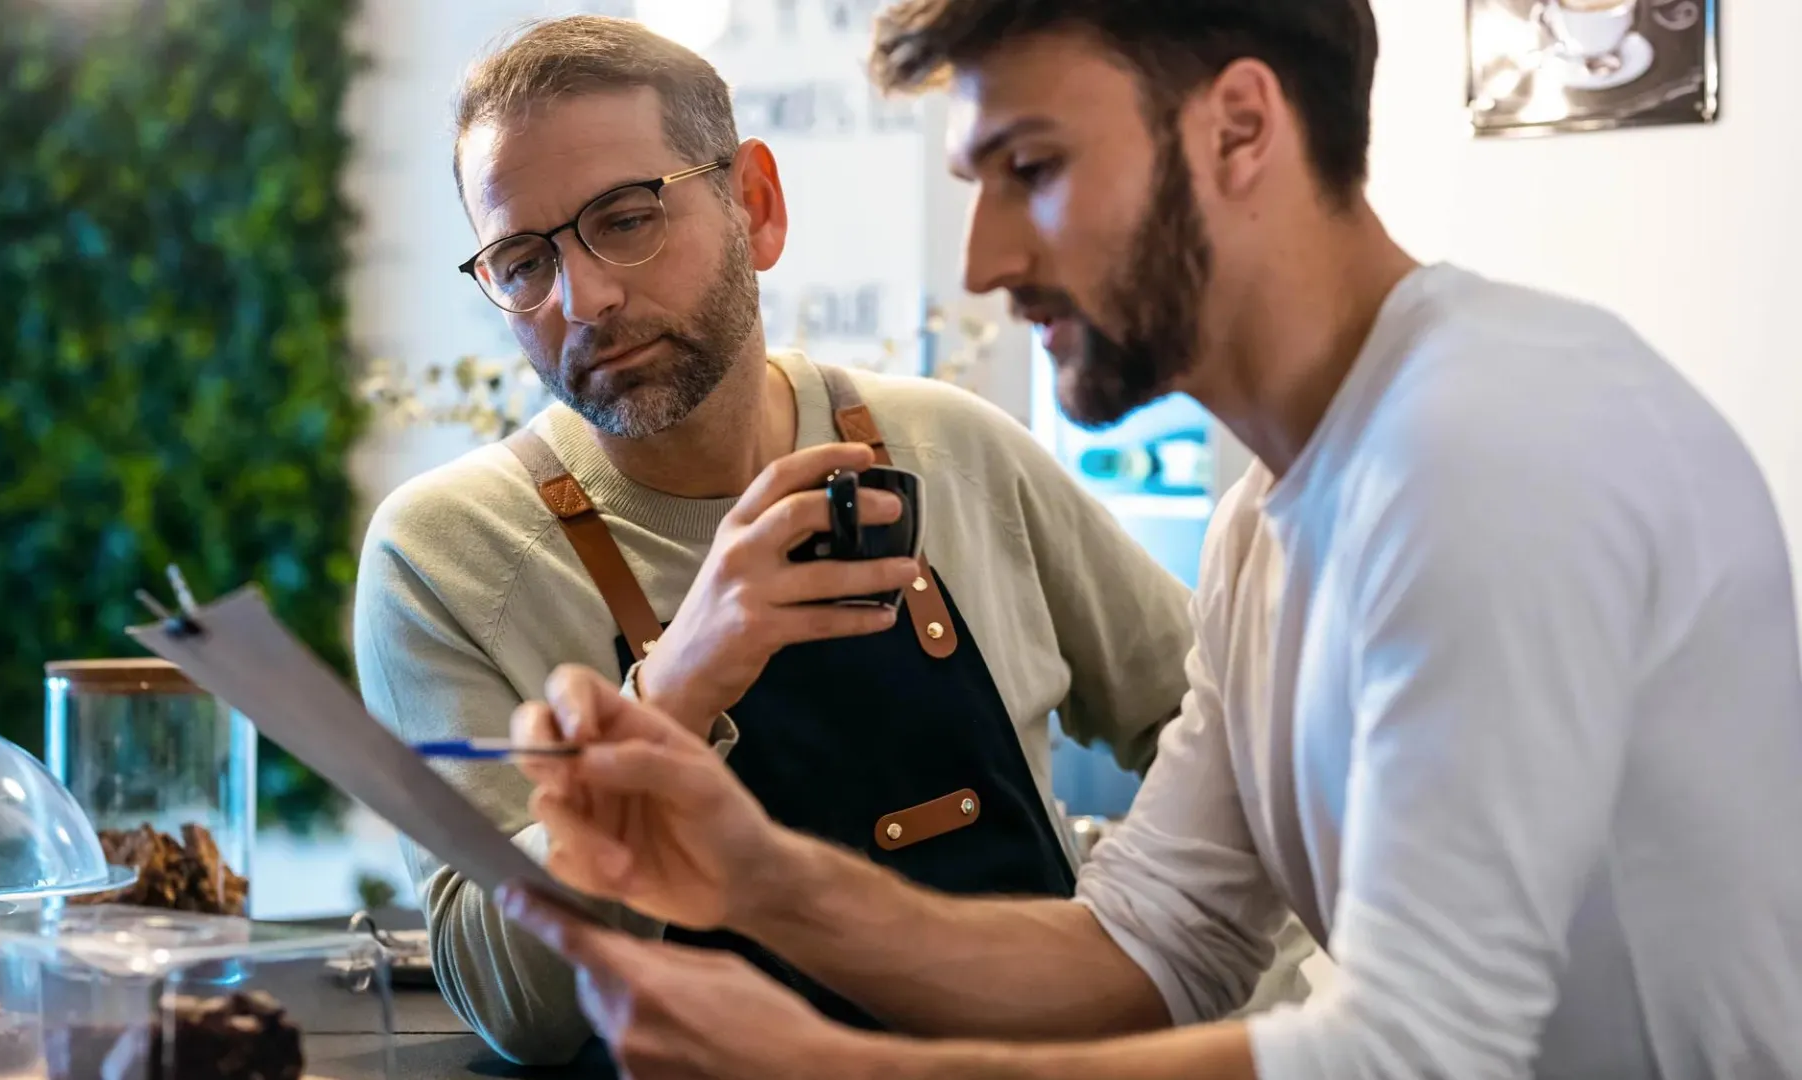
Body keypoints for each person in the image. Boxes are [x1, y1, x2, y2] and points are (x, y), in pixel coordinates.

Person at [496, 1, 1802, 1078]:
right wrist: (757, 876)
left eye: (1036, 170)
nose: (989, 258)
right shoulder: (1268, 519)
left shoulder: (1485, 441)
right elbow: (1155, 944)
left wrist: (838, 1067)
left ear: (1240, 128)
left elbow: (1426, 1047)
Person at [353, 15, 1312, 1066]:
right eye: (522, 261)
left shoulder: (951, 449)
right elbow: (512, 1009)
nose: (585, 299)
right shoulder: (443, 556)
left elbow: (1238, 749)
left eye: (626, 220)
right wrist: (673, 692)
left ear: (754, 206)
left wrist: (1228, 1013)